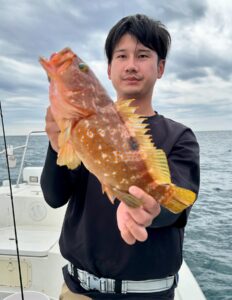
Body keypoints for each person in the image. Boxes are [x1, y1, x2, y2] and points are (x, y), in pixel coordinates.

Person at [41, 14, 200, 300]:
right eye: (121, 56)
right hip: (79, 291)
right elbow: (54, 196)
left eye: (142, 55)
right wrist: (56, 146)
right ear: (109, 69)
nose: (130, 65)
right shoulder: (81, 129)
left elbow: (176, 209)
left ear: (160, 67)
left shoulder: (180, 137)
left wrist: (147, 209)